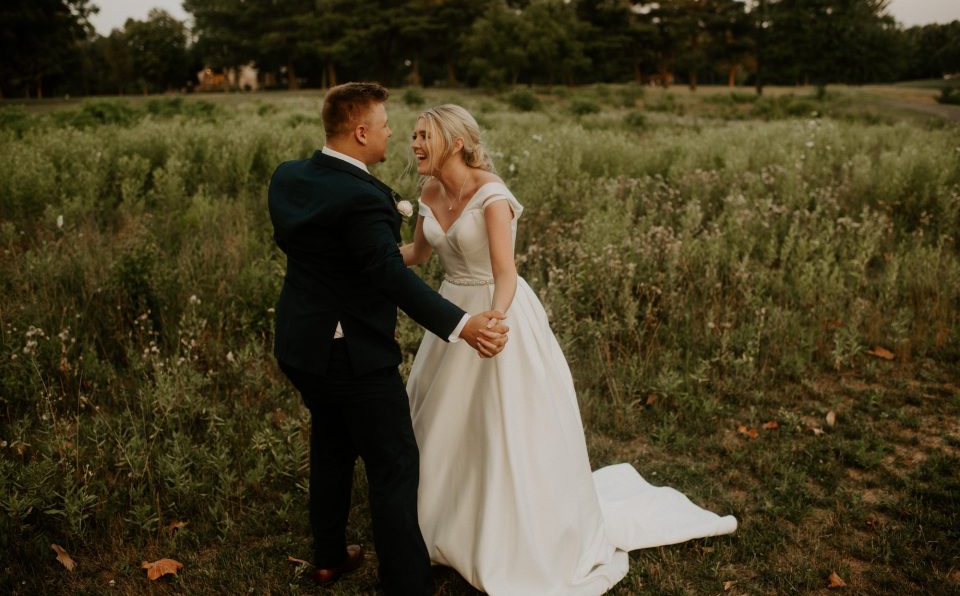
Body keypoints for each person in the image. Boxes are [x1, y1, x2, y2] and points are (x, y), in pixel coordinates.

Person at [402, 104, 738, 595]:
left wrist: (494, 320)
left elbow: (505, 273)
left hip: (497, 310)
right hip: (451, 314)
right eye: (412, 135)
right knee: (443, 420)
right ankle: (440, 522)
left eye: (423, 136)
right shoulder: (430, 192)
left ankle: (509, 529)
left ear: (454, 142)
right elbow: (417, 254)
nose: (414, 144)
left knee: (502, 423)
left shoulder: (491, 195)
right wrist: (366, 254)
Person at [267, 84, 509, 596]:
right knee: (393, 464)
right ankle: (407, 584)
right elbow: (389, 275)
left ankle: (329, 557)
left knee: (331, 443)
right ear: (360, 132)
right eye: (384, 125)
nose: (393, 134)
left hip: (298, 344)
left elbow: (306, 244)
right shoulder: (364, 198)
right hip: (350, 353)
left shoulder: (288, 177)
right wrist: (463, 325)